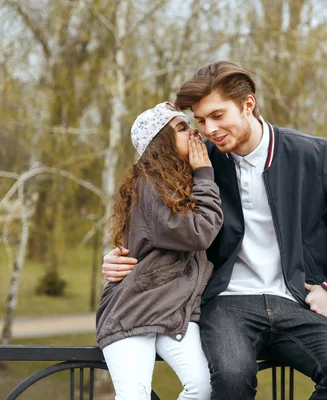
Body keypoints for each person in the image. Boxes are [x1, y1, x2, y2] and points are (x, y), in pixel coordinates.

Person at [102, 61, 327, 400]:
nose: (209, 129)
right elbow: (148, 208)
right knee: (229, 377)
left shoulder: (311, 155)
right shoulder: (200, 161)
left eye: (217, 115)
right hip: (226, 302)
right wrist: (118, 257)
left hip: (298, 301)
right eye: (200, 120)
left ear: (248, 105)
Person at [96, 102, 223, 400]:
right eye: (181, 127)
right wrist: (205, 173)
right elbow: (200, 232)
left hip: (173, 310)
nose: (194, 131)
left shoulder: (179, 183)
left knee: (204, 387)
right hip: (134, 310)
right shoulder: (152, 187)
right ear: (160, 144)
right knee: (134, 395)